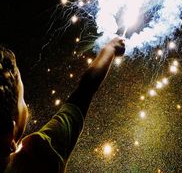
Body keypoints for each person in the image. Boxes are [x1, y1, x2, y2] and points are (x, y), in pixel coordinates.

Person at [0, 37, 125, 173]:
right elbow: (85, 90)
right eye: (22, 100)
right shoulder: (38, 154)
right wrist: (111, 48)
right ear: (8, 137)